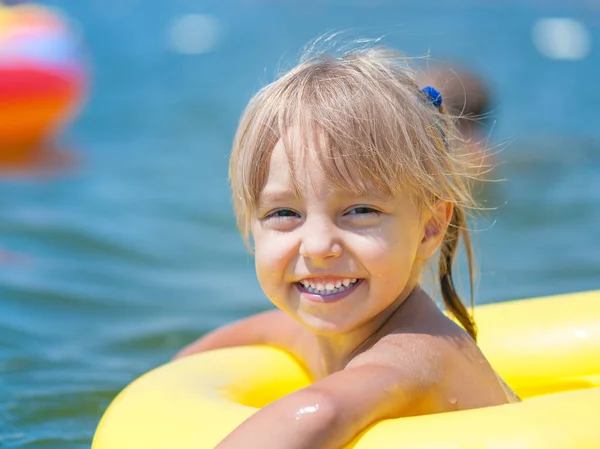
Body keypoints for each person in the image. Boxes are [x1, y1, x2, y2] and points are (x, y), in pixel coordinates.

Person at [175, 45, 518, 449]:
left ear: (429, 228)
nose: (319, 246)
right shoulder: (333, 332)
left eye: (359, 210)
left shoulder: (420, 355)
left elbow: (322, 409)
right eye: (284, 213)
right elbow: (264, 330)